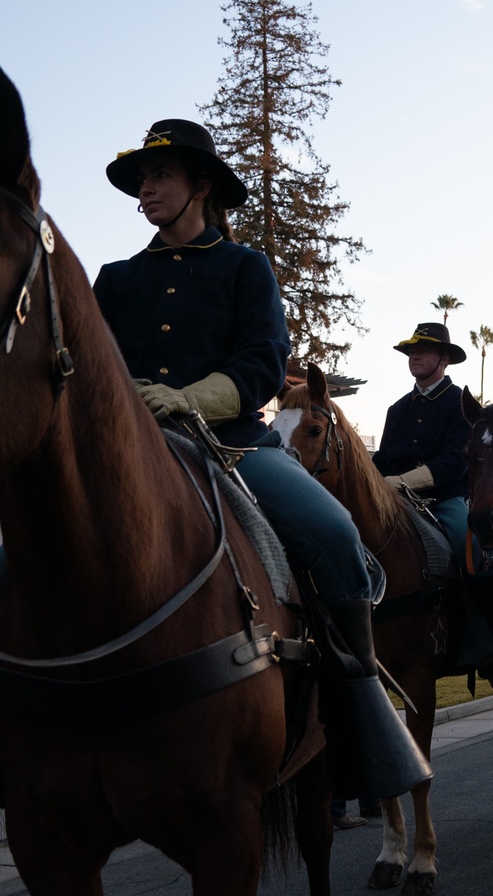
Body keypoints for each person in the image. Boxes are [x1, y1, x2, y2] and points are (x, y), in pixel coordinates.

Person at [94, 118, 429, 800]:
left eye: (160, 176)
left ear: (202, 185)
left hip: (235, 444)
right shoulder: (117, 278)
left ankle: (359, 718)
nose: (146, 190)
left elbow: (261, 363)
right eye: (141, 180)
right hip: (134, 449)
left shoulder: (245, 267)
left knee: (335, 534)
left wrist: (185, 398)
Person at [372, 322, 470, 562]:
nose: (415, 355)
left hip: (444, 500)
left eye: (424, 350)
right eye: (412, 352)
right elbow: (382, 459)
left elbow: (456, 461)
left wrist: (402, 482)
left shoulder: (460, 402)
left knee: (471, 546)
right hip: (393, 499)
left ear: (444, 358)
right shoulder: (396, 409)